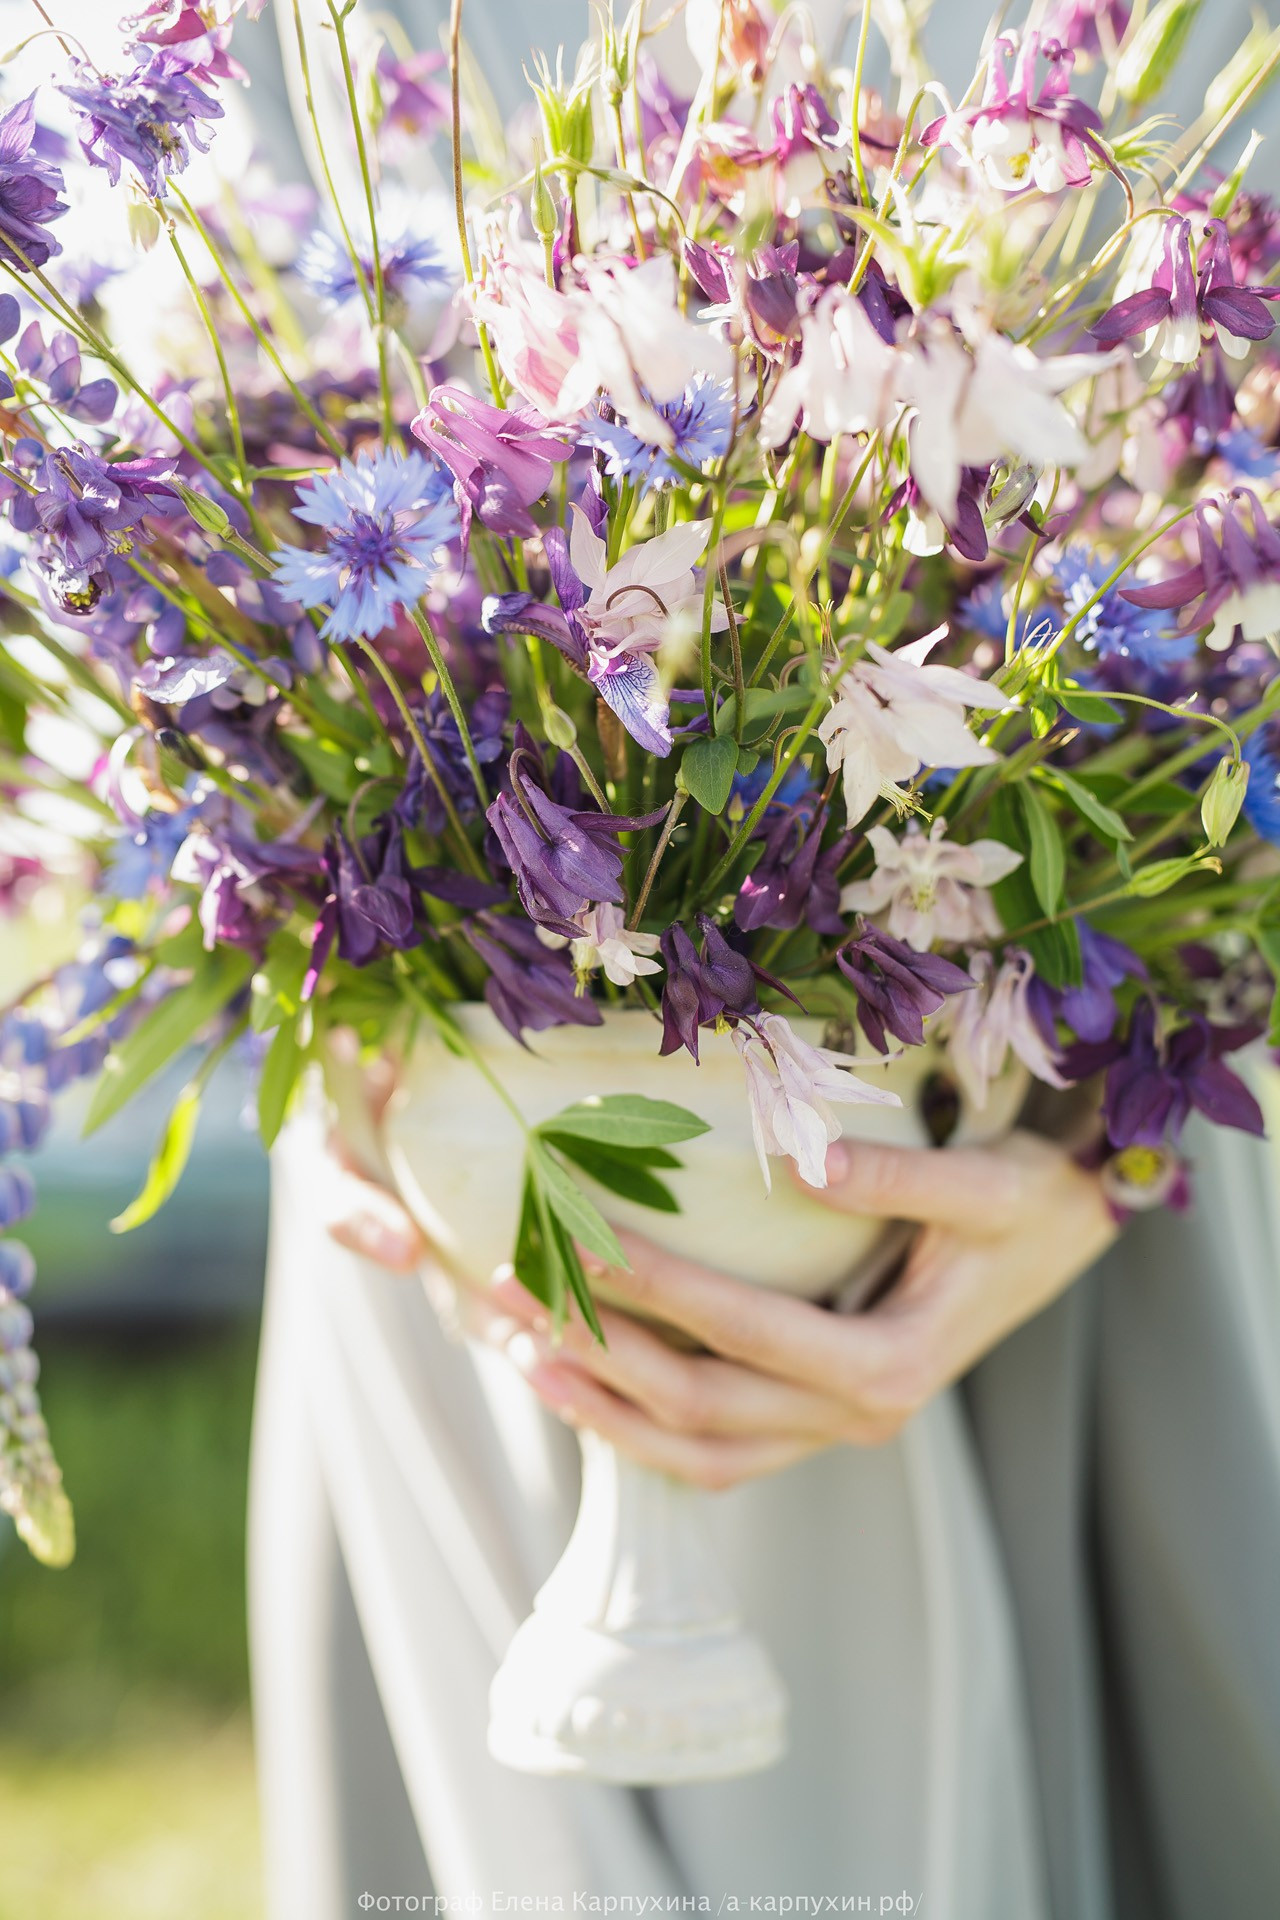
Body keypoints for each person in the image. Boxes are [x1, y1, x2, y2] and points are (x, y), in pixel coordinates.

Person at [247, 5, 1280, 1918]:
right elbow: (266, 407)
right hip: (451, 1108)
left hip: (1076, 1120)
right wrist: (317, 997)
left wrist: (1112, 1162)